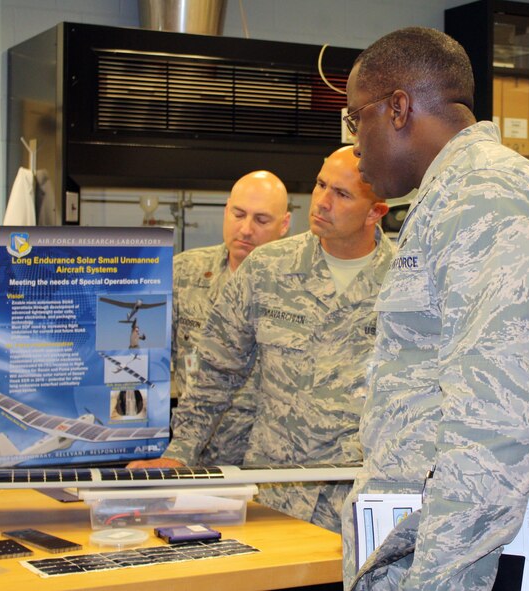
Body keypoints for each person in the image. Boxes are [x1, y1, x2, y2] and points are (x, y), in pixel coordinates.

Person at [341, 27, 529, 591]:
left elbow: (495, 424)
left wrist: (432, 579)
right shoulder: (452, 196)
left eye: (356, 119)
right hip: (431, 549)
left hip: (464, 566)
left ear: (398, 108)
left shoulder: (488, 195)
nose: (354, 143)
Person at [129, 146, 394, 533]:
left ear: (375, 212)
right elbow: (216, 372)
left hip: (360, 500)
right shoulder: (267, 269)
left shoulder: (406, 282)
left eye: (341, 194)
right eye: (321, 185)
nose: (322, 202)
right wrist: (180, 453)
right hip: (275, 493)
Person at [171, 170, 290, 464]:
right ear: (226, 211)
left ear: (284, 224)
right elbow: (153, 362)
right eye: (238, 214)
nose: (246, 229)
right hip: (195, 455)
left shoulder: (296, 288)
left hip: (268, 465)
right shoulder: (184, 273)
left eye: (261, 220)